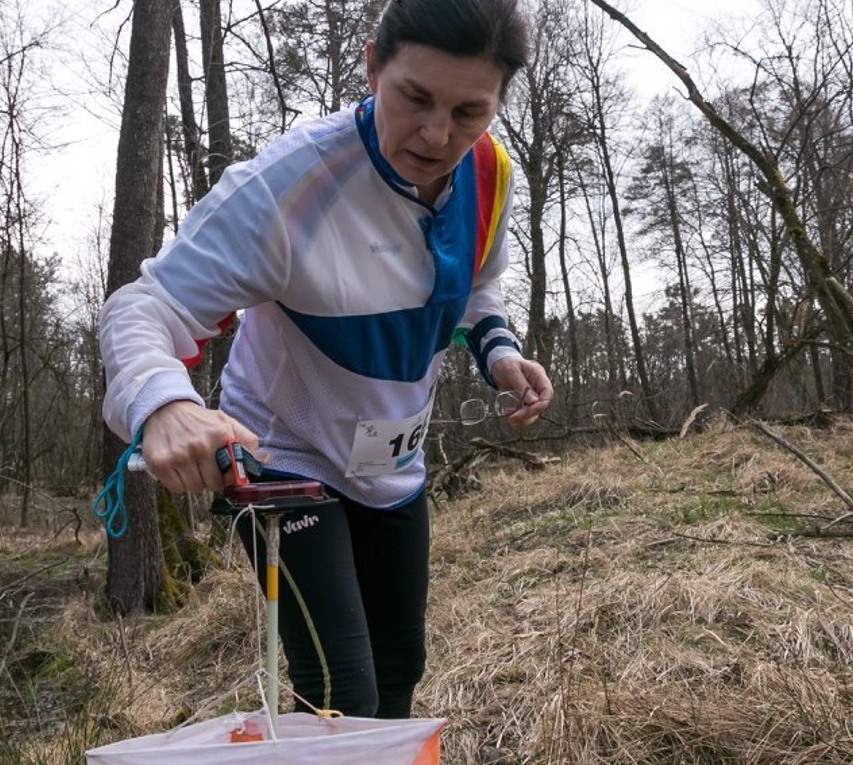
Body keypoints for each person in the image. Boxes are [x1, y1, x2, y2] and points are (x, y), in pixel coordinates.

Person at [99, 0, 552, 720]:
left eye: (470, 111)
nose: (437, 135)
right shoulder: (288, 184)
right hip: (282, 456)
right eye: (415, 97)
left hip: (391, 464)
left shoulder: (491, 170)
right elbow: (143, 307)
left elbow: (476, 284)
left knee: (400, 668)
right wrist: (165, 404)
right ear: (373, 67)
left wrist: (499, 352)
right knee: (342, 688)